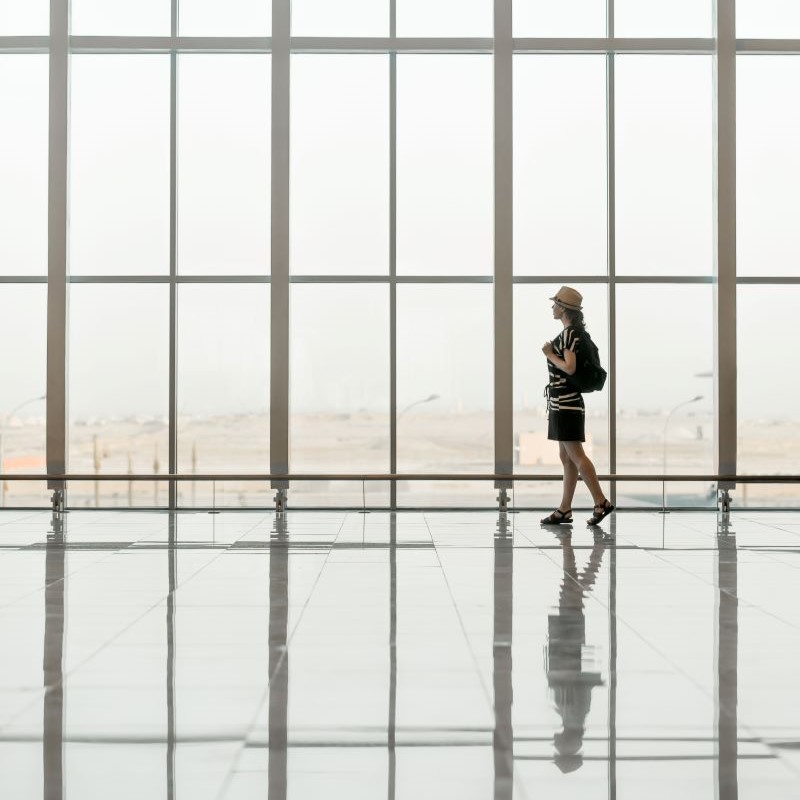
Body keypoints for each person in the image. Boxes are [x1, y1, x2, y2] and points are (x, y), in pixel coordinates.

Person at [540, 286, 614, 526]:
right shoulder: (574, 333)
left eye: (555, 304)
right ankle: (565, 509)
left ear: (563, 308)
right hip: (563, 403)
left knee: (576, 456)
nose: (552, 307)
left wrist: (549, 354)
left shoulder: (569, 334)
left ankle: (601, 502)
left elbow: (569, 367)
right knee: (566, 457)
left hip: (566, 403)